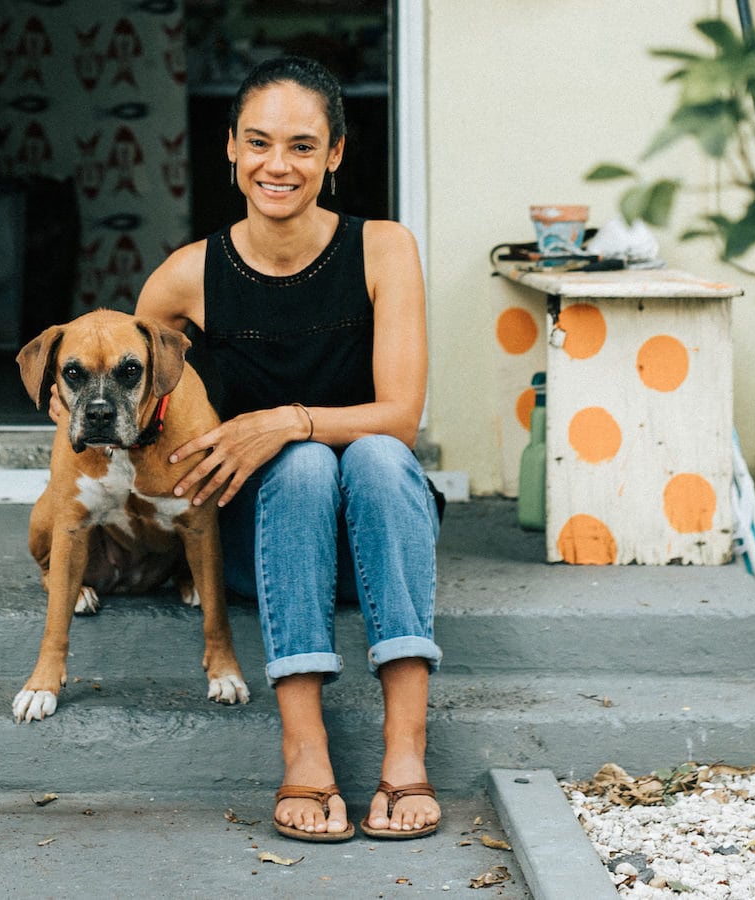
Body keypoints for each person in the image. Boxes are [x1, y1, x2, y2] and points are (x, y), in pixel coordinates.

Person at [142, 55, 442, 842]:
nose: (279, 165)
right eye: (260, 143)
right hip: (263, 551)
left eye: (303, 146)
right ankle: (303, 745)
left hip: (380, 537)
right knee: (303, 468)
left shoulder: (383, 249)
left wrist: (286, 419)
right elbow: (142, 430)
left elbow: (401, 417)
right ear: (232, 150)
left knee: (376, 454)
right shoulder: (182, 280)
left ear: (336, 154)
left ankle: (405, 746)